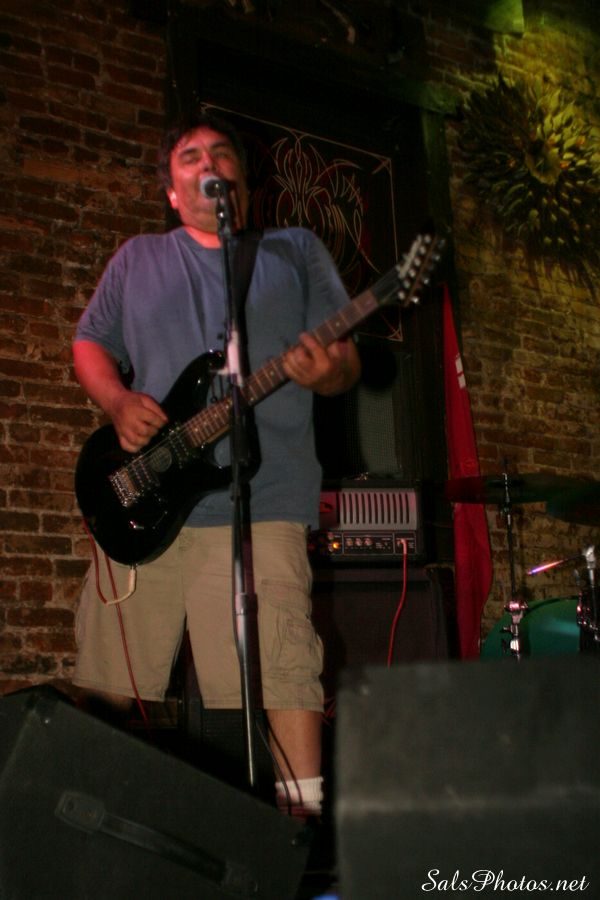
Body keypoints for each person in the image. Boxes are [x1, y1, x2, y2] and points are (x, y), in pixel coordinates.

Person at [71, 109, 361, 818]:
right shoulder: (138, 259)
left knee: (283, 672)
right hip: (143, 498)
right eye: (190, 156)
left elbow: (346, 361)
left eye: (222, 153)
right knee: (108, 679)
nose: (209, 162)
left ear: (244, 182)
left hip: (265, 500)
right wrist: (117, 400)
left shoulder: (293, 252)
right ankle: (86, 828)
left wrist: (324, 371)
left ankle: (300, 834)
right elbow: (89, 342)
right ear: (173, 191)